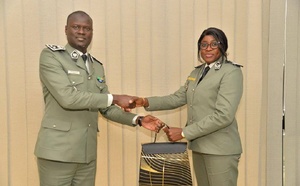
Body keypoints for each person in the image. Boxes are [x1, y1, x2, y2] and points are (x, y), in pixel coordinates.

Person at [34, 10, 163, 186]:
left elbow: (106, 107)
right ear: (66, 29)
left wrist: (138, 119)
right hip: (58, 153)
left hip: (86, 155)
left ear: (92, 33)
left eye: (87, 28)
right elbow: (68, 98)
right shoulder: (52, 57)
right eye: (76, 27)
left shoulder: (97, 66)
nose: (81, 32)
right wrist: (116, 98)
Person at [134, 27, 243, 186]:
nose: (208, 49)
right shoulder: (197, 73)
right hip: (200, 146)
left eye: (214, 44)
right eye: (203, 45)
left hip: (221, 150)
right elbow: (177, 98)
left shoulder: (231, 72)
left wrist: (184, 132)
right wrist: (145, 101)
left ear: (223, 46)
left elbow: (224, 115)